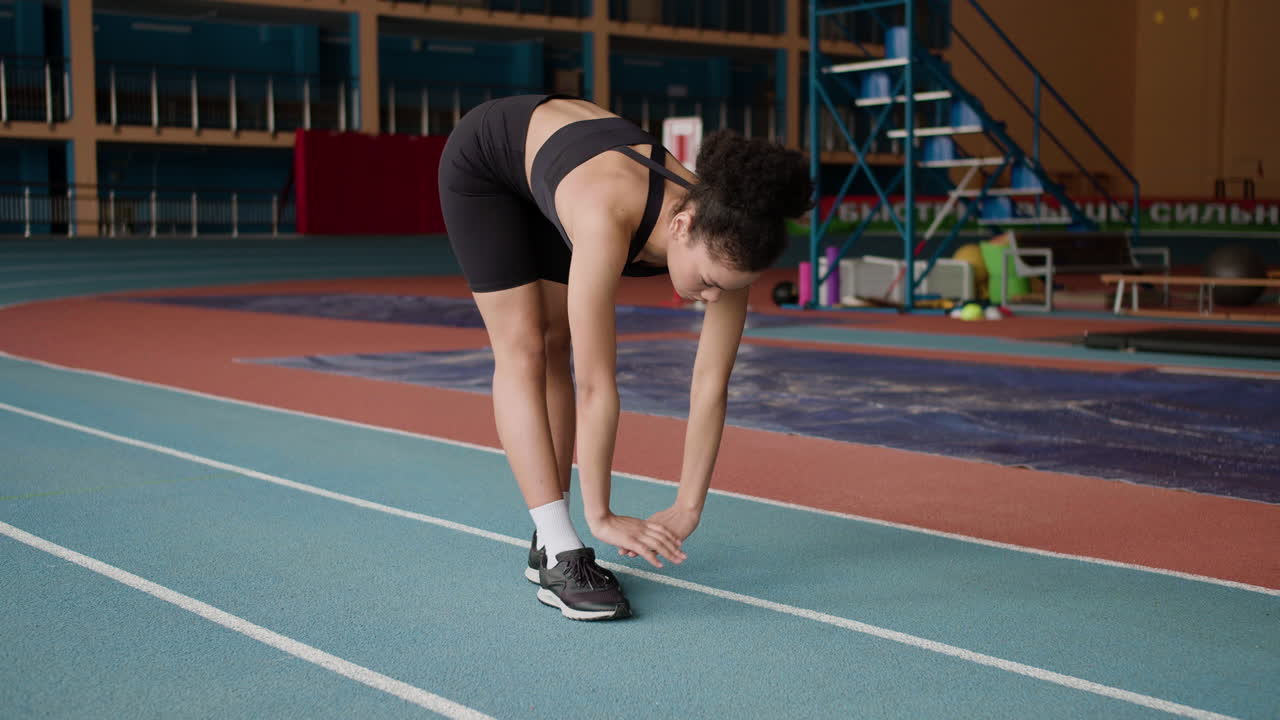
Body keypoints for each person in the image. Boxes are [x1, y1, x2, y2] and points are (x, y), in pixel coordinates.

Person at [438, 94, 811, 621]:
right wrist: (601, 515)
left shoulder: (731, 239)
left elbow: (710, 384)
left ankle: (550, 541)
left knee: (559, 342)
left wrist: (688, 508)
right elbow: (596, 385)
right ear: (681, 226)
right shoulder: (607, 214)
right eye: (706, 282)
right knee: (525, 345)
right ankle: (560, 549)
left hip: (562, 165)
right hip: (490, 160)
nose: (710, 297)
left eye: (725, 288)